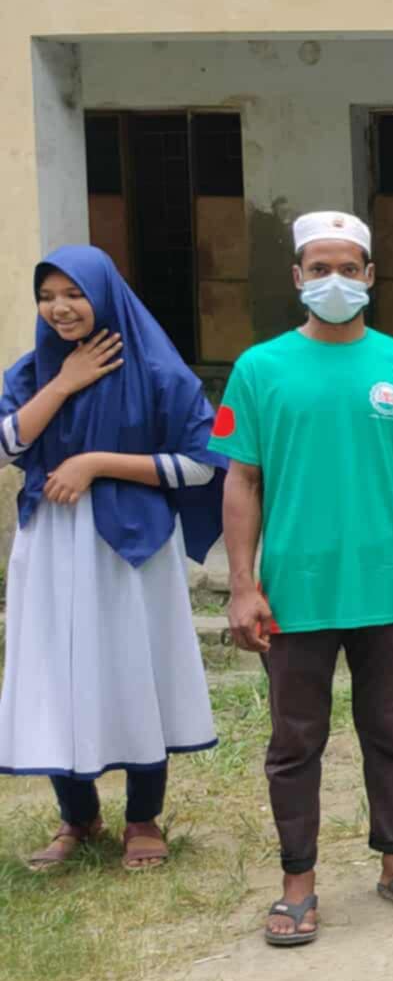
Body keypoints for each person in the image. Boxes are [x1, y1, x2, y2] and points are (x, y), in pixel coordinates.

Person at [213, 212, 393, 946]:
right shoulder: (260, 369)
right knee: (295, 740)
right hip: (296, 589)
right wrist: (242, 583)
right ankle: (298, 884)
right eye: (319, 268)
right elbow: (242, 480)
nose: (335, 281)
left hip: (384, 586)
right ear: (296, 278)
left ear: (372, 276)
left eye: (349, 268)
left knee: (390, 734)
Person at [2, 247, 225, 873]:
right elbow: (7, 443)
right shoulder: (32, 371)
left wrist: (94, 463)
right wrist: (65, 383)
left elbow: (201, 463)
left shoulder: (158, 371)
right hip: (49, 545)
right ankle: (77, 817)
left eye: (74, 293)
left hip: (129, 550)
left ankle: (142, 818)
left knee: (135, 670)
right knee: (56, 673)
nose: (59, 308)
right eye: (48, 296)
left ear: (105, 294)